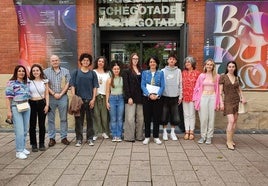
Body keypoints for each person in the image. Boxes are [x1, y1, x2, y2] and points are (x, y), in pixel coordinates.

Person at [70, 53, 99, 147]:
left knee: (90, 120)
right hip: (79, 101)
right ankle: (79, 139)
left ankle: (90, 138)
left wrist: (93, 99)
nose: (86, 62)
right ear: (81, 61)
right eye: (84, 60)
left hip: (89, 100)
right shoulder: (76, 72)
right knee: (78, 120)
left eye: (87, 60)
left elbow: (95, 87)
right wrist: (74, 97)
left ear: (90, 62)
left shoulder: (92, 73)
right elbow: (72, 85)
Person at [44, 55, 71, 147]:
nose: (55, 62)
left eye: (56, 60)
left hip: (63, 97)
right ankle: (52, 138)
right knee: (51, 119)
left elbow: (68, 83)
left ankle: (64, 137)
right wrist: (54, 93)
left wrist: (61, 94)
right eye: (53, 61)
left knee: (63, 118)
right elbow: (45, 85)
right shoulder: (45, 72)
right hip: (51, 97)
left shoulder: (65, 71)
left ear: (59, 61)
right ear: (50, 62)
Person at [5, 65, 31, 159]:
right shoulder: (11, 83)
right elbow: (8, 98)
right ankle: (19, 151)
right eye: (19, 71)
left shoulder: (27, 82)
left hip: (26, 106)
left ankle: (23, 147)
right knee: (19, 130)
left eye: (23, 71)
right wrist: (9, 111)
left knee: (24, 130)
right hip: (16, 107)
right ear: (16, 72)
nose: (21, 72)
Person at [219, 61, 246, 150]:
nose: (231, 68)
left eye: (233, 66)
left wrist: (243, 97)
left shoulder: (237, 78)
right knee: (231, 120)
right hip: (227, 101)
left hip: (236, 101)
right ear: (227, 68)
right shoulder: (223, 77)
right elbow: (220, 92)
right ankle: (228, 141)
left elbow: (239, 90)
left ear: (235, 68)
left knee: (234, 121)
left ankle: (231, 139)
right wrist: (221, 103)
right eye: (229, 66)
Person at [193, 58, 220, 145]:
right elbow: (196, 88)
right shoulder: (201, 76)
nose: (209, 66)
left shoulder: (217, 76)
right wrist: (195, 100)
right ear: (205, 65)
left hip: (212, 97)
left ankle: (209, 137)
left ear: (213, 66)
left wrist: (218, 102)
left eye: (211, 65)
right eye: (208, 64)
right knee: (203, 118)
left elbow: (218, 90)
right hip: (203, 97)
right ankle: (203, 136)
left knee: (211, 118)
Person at [141, 56, 165, 145]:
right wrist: (149, 94)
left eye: (154, 62)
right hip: (147, 98)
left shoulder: (161, 73)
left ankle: (156, 137)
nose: (152, 63)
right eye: (151, 62)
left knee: (156, 118)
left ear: (157, 63)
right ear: (148, 64)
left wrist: (157, 95)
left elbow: (163, 86)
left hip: (157, 99)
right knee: (147, 118)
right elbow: (142, 85)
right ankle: (147, 137)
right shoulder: (144, 73)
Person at [122, 53, 144, 142]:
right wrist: (128, 97)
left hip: (140, 97)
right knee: (130, 118)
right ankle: (129, 137)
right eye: (134, 58)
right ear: (131, 59)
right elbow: (126, 85)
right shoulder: (126, 71)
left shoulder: (141, 70)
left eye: (137, 58)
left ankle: (139, 136)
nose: (135, 60)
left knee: (140, 118)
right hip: (130, 97)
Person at [161, 52, 182, 141]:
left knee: (175, 116)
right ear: (168, 60)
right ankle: (165, 132)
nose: (171, 60)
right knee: (164, 115)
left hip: (175, 96)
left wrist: (180, 96)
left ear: (175, 61)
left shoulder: (178, 71)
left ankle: (173, 132)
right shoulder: (162, 71)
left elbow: (180, 84)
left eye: (173, 59)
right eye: (170, 59)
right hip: (165, 96)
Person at [28, 64, 49, 152]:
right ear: (32, 72)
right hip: (31, 103)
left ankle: (41, 143)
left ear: (40, 71)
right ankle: (33, 144)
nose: (35, 72)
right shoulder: (29, 81)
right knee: (32, 125)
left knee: (42, 124)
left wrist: (47, 105)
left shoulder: (45, 81)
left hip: (41, 103)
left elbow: (47, 94)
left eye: (37, 70)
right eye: (34, 71)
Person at [182, 56, 200, 140]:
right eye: (186, 62)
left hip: (193, 97)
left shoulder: (197, 73)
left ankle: (191, 131)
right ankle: (187, 131)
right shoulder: (183, 73)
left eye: (189, 62)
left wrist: (197, 97)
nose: (187, 63)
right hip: (185, 96)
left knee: (192, 115)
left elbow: (199, 86)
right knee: (186, 115)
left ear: (192, 63)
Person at [92, 56, 110, 141]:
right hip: (95, 96)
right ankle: (96, 133)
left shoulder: (108, 73)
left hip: (105, 96)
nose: (100, 63)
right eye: (99, 61)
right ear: (97, 62)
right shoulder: (93, 72)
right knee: (96, 115)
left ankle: (105, 132)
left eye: (102, 62)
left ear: (104, 63)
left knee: (104, 116)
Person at [106, 60, 124, 142]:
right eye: (115, 69)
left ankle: (119, 135)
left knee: (120, 118)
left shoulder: (122, 79)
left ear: (120, 70)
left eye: (118, 69)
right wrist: (107, 102)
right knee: (113, 119)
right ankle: (114, 135)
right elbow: (107, 91)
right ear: (112, 70)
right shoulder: (109, 80)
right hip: (112, 99)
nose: (116, 70)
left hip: (121, 99)